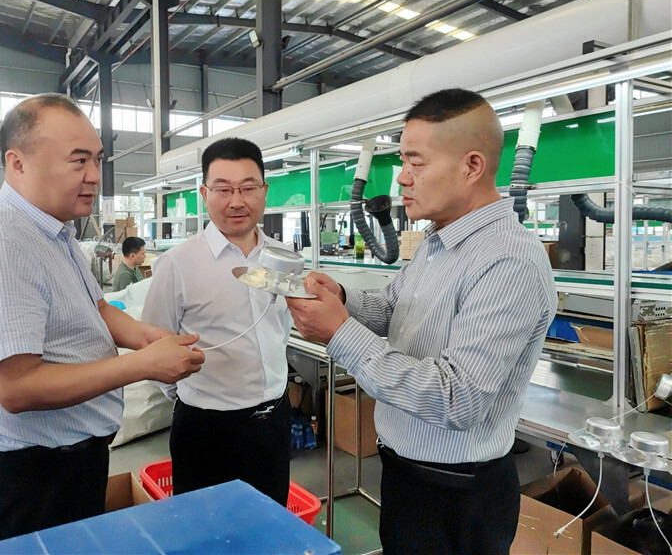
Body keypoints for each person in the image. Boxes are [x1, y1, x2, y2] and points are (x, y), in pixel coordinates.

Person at [287, 88, 556, 554]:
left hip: (456, 492)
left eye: (416, 162)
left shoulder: (508, 261)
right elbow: (392, 309)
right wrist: (342, 298)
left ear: (471, 166)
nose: (402, 178)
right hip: (407, 474)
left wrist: (339, 332)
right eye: (402, 161)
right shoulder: (437, 241)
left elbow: (457, 399)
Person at [0, 93, 205, 542]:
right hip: (40, 477)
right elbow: (18, 387)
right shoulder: (3, 246)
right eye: (78, 161)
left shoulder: (54, 230)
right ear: (17, 164)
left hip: (75, 461)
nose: (95, 176)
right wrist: (143, 365)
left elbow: (96, 308)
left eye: (98, 160)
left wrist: (146, 337)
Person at [141, 137, 293, 505]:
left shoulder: (284, 257)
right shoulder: (178, 263)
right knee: (204, 528)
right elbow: (153, 345)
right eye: (223, 189)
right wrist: (193, 400)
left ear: (264, 191)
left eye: (248, 188)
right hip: (207, 429)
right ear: (204, 194)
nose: (236, 201)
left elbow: (282, 330)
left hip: (274, 421)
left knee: (271, 523)